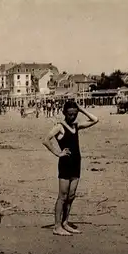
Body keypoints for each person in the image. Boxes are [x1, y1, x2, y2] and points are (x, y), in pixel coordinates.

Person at [42, 101, 99, 236]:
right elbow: (46, 140)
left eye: (74, 114)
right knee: (62, 196)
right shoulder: (59, 127)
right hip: (65, 164)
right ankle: (57, 226)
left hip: (76, 163)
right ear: (64, 113)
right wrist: (58, 153)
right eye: (70, 114)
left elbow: (95, 120)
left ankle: (65, 223)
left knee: (71, 196)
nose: (72, 116)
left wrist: (81, 109)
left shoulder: (76, 125)